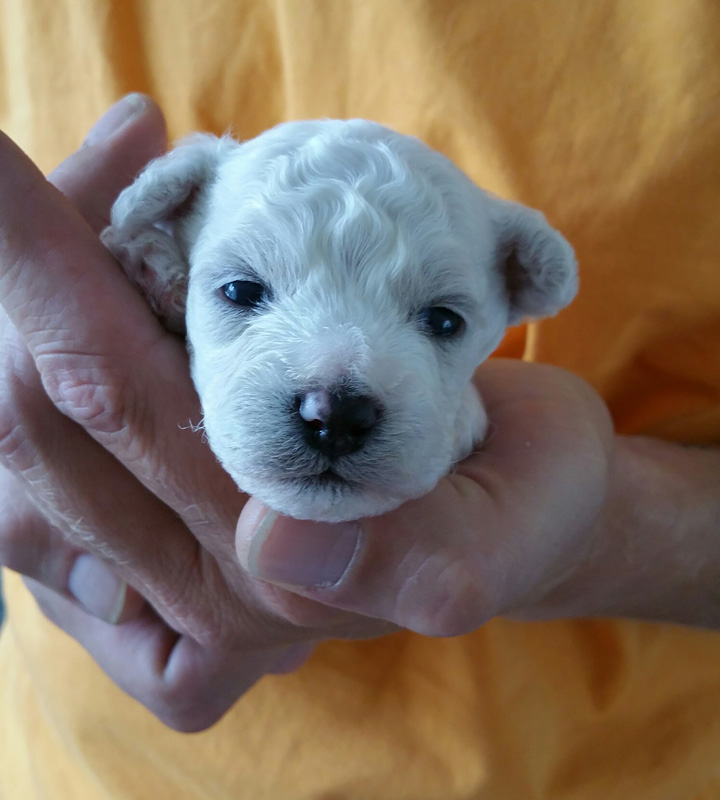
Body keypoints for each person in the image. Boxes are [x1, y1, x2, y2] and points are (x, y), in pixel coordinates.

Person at [1, 2, 719, 798]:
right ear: (165, 236)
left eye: (438, 321)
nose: (331, 405)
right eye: (243, 291)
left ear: (513, 286)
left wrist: (604, 534)